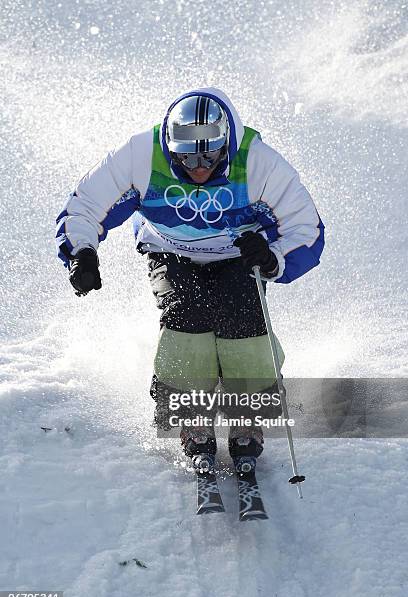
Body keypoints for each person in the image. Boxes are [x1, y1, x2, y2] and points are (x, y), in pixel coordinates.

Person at [55, 87, 324, 473]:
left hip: (239, 254)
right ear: (169, 146)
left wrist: (273, 258)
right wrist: (82, 253)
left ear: (225, 146)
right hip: (170, 250)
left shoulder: (259, 162)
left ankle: (247, 416)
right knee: (187, 317)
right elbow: (85, 205)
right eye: (186, 157)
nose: (198, 167)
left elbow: (306, 229)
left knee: (242, 316)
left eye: (209, 156)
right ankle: (190, 416)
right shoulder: (140, 155)